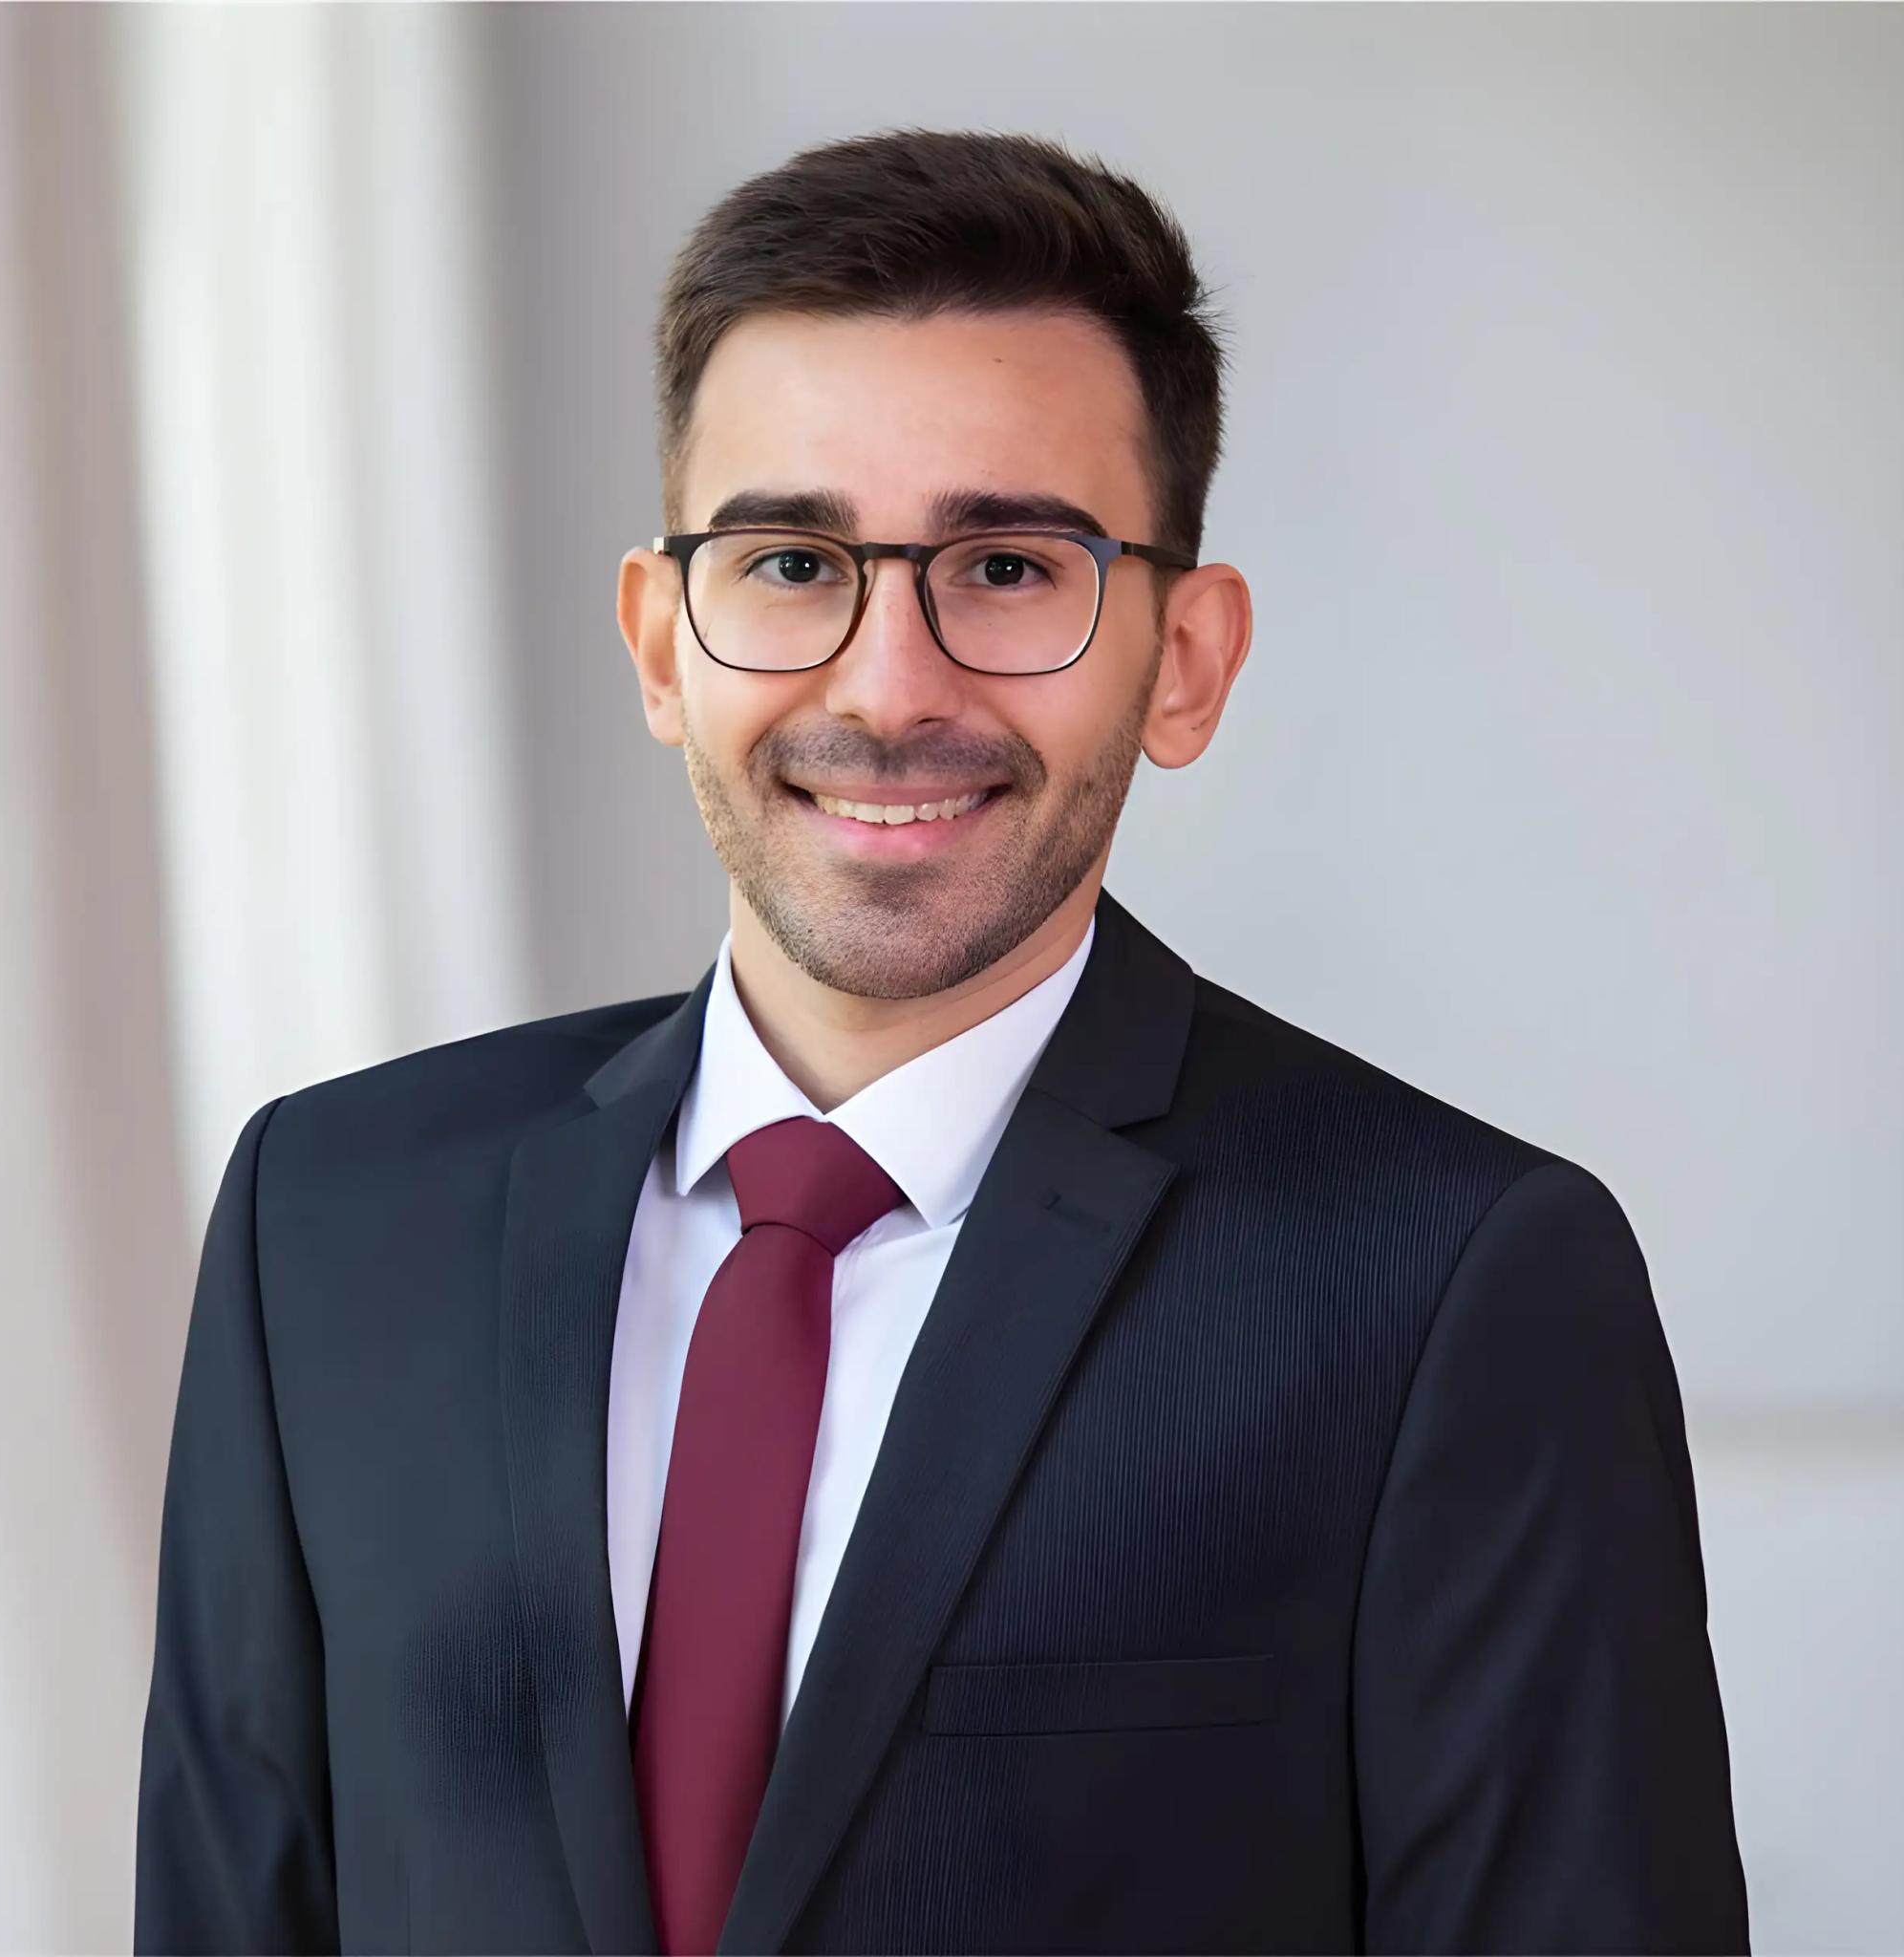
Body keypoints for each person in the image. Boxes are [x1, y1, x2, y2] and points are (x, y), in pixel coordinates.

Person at [135, 127, 1749, 1955]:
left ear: (1188, 658)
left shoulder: (1453, 1281)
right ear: (664, 645)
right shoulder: (329, 1222)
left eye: (1003, 568)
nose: (891, 685)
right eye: (790, 564)